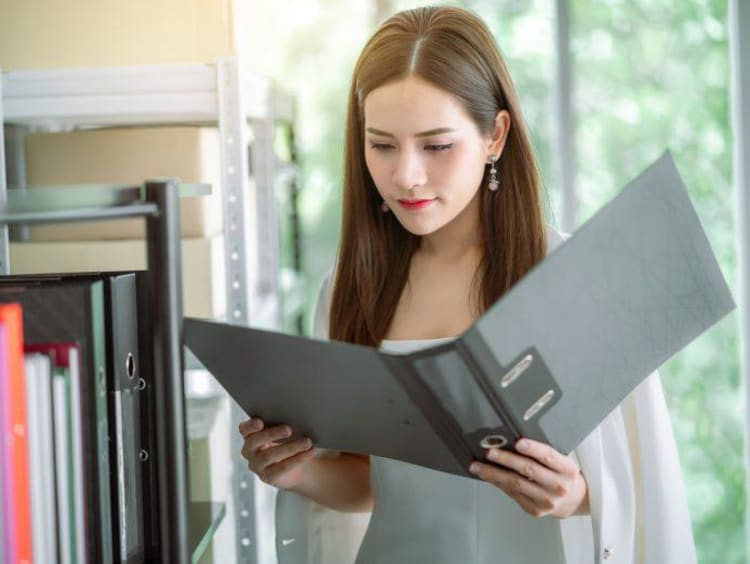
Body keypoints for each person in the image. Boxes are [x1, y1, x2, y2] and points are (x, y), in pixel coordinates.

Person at [238, 5, 697, 563]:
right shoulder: (348, 290)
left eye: (436, 145)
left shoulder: (578, 279)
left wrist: (571, 494)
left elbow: (648, 486)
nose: (406, 175)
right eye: (381, 144)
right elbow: (370, 481)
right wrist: (298, 471)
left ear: (495, 135)